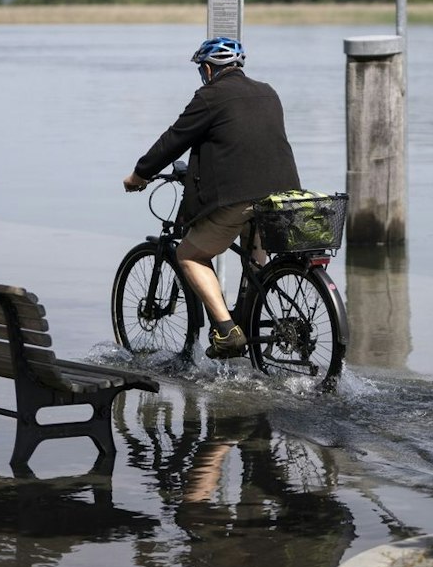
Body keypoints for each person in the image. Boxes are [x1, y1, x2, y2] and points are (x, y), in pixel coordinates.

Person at [124, 37, 301, 358]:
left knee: (190, 255)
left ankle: (226, 330)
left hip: (239, 197)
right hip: (283, 196)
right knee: (253, 253)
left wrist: (140, 174)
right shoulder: (268, 91)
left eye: (200, 71)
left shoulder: (210, 95)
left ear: (208, 69)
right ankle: (249, 314)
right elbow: (247, 141)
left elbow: (174, 140)